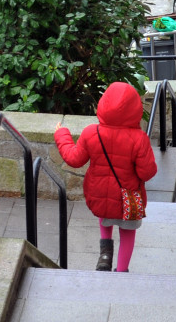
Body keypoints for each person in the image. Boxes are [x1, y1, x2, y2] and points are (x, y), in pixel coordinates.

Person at [54, 82, 158, 272]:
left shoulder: (91, 132)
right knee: (127, 232)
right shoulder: (139, 138)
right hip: (127, 198)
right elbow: (147, 172)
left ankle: (104, 256)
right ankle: (121, 270)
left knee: (106, 215)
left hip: (99, 192)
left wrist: (62, 134)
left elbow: (74, 158)